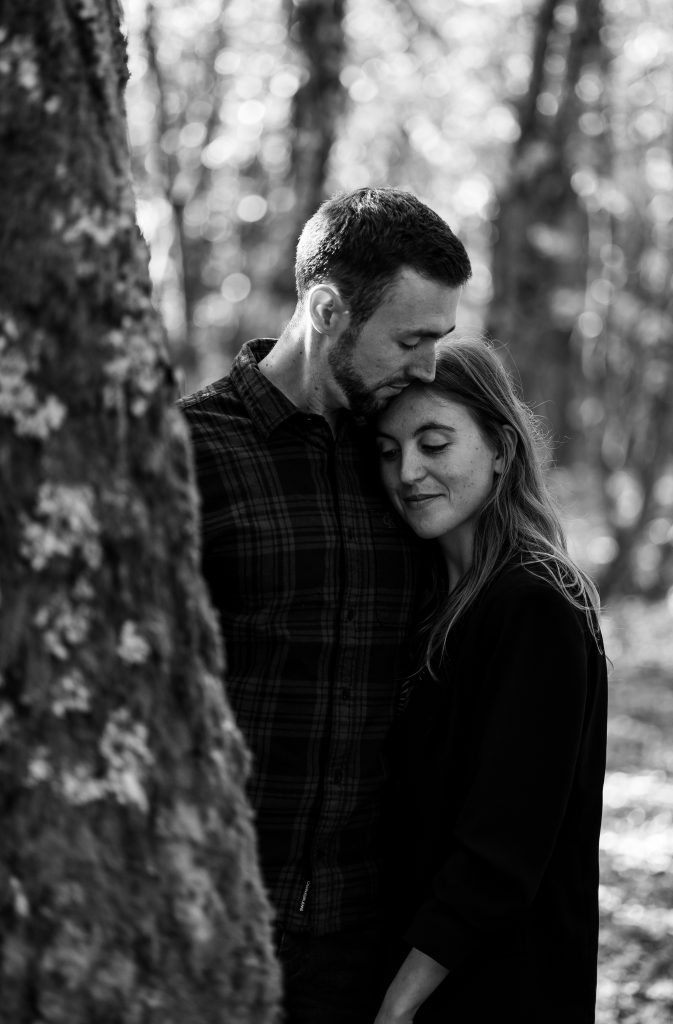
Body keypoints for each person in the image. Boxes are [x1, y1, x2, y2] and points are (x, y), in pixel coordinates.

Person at [178, 187, 472, 1023]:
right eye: (410, 340)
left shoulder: (405, 466)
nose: (427, 367)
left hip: (360, 939)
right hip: (208, 923)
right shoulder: (184, 453)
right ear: (327, 309)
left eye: (438, 341)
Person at [373, 338, 607, 1024]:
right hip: (420, 971)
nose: (407, 472)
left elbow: (504, 846)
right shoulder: (428, 600)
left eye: (434, 443)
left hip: (497, 988)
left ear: (501, 449)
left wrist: (398, 1003)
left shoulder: (535, 604)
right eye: (387, 451)